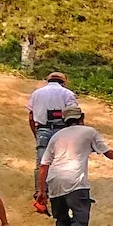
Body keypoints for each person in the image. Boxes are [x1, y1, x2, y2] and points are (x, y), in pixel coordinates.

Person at [36, 111, 113, 226]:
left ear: (64, 120)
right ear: (82, 118)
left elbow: (43, 167)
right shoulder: (89, 131)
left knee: (61, 218)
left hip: (54, 180)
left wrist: (42, 191)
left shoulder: (56, 136)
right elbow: (108, 154)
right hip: (75, 179)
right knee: (81, 218)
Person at [26, 70, 80, 210]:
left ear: (47, 80)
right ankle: (62, 193)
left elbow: (31, 117)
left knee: (42, 163)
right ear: (63, 82)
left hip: (43, 130)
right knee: (62, 161)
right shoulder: (67, 94)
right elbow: (74, 115)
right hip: (61, 130)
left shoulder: (37, 93)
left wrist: (36, 133)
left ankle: (40, 195)